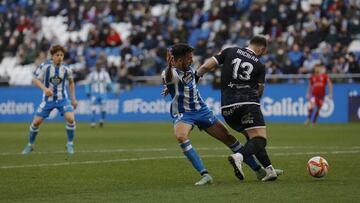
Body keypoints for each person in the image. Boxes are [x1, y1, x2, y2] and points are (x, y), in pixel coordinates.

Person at [161, 43, 282, 185]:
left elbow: (185, 81)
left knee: (229, 138)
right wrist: (169, 70)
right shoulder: (168, 72)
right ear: (179, 61)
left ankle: (259, 170)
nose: (192, 60)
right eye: (189, 58)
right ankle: (205, 174)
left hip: (202, 111)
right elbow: (169, 77)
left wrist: (170, 88)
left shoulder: (189, 70)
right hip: (184, 113)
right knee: (181, 136)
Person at [196, 35, 278, 181]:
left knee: (252, 137)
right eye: (264, 52)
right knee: (260, 139)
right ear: (261, 49)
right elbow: (260, 90)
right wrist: (253, 100)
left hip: (227, 109)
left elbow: (206, 67)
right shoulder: (260, 65)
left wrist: (196, 76)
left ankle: (269, 169)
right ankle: (239, 157)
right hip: (247, 103)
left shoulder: (230, 51)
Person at [22, 45, 77, 155]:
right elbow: (35, 79)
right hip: (48, 99)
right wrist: (45, 89)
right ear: (52, 56)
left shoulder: (67, 68)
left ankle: (70, 144)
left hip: (63, 99)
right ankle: (30, 145)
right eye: (57, 55)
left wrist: (73, 99)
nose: (60, 57)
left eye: (61, 55)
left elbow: (71, 82)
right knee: (36, 122)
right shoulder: (45, 66)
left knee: (70, 119)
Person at [85, 60, 113, 128]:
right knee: (93, 107)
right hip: (94, 93)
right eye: (97, 65)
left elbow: (109, 82)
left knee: (103, 107)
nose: (98, 67)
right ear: (96, 66)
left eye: (99, 65)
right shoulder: (92, 74)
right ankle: (93, 122)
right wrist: (87, 91)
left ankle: (102, 120)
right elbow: (87, 83)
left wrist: (110, 88)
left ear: (101, 66)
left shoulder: (105, 74)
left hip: (103, 93)